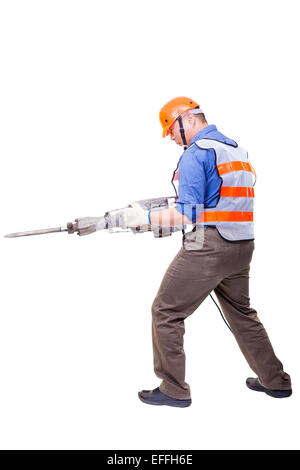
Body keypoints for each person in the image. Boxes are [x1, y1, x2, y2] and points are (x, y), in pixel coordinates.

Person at [124, 96, 292, 407]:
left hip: (210, 246)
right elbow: (217, 200)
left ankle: (173, 388)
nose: (171, 138)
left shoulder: (195, 154)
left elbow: (188, 215)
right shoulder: (235, 149)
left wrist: (144, 219)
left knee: (166, 311)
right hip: (243, 246)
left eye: (171, 130)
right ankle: (276, 381)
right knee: (242, 314)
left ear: (187, 120)